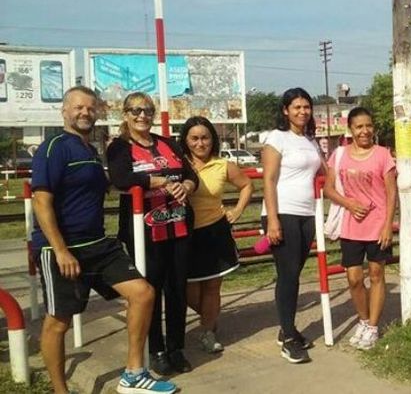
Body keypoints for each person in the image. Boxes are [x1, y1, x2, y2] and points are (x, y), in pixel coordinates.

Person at [31, 86, 176, 394]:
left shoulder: (90, 150)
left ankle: (133, 374)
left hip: (97, 243)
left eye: (90, 108)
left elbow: (112, 184)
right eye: (78, 108)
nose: (85, 113)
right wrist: (59, 250)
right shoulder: (54, 147)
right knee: (59, 321)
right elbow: (41, 200)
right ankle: (60, 390)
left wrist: (156, 182)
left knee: (143, 293)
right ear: (65, 111)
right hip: (62, 247)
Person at [107, 92, 197, 375]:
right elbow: (121, 178)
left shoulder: (167, 143)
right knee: (150, 291)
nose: (141, 115)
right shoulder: (119, 147)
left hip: (179, 226)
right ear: (125, 114)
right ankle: (156, 348)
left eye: (146, 110)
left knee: (177, 289)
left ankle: (176, 347)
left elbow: (191, 175)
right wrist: (160, 181)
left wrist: (186, 186)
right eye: (135, 110)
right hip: (144, 232)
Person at [323, 107, 397, 349]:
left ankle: (373, 327)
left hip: (377, 226)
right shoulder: (340, 155)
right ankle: (363, 321)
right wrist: (349, 203)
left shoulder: (383, 154)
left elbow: (391, 193)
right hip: (351, 226)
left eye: (368, 126)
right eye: (359, 127)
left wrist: (388, 225)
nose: (365, 131)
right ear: (351, 130)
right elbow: (329, 188)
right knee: (354, 279)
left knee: (376, 275)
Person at [180, 116, 253, 353]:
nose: (200, 143)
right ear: (185, 140)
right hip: (184, 234)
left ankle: (207, 331)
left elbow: (246, 185)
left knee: (212, 287)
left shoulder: (223, 165)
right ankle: (210, 317)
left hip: (215, 232)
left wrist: (238, 210)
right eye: (194, 138)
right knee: (186, 289)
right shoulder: (178, 164)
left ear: (213, 140)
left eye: (205, 138)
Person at [261, 87, 324, 363]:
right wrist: (272, 220)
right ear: (285, 110)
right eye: (296, 107)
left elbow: (326, 172)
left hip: (306, 214)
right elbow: (268, 181)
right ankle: (288, 337)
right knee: (288, 275)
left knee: (294, 273)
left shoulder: (311, 140)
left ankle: (286, 327)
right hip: (282, 213)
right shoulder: (277, 138)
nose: (302, 112)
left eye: (306, 107)